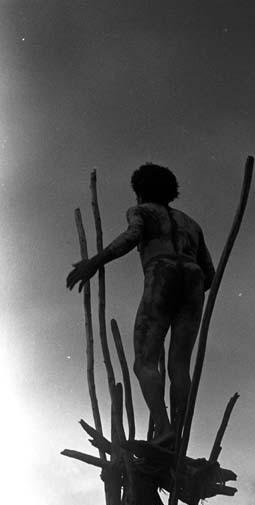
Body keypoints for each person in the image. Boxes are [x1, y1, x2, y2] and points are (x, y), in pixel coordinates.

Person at [67, 163, 215, 447]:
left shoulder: (142, 211)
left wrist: (94, 262)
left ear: (139, 192)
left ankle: (164, 428)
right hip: (193, 280)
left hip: (162, 272)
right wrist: (188, 295)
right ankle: (179, 433)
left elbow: (132, 236)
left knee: (144, 361)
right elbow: (209, 273)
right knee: (179, 365)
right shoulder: (192, 224)